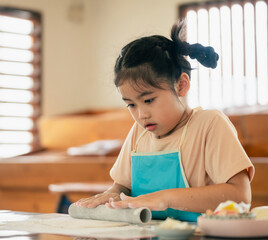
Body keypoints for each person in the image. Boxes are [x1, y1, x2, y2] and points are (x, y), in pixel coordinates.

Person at [75, 20, 254, 222]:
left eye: (149, 100)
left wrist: (166, 198)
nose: (141, 115)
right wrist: (113, 193)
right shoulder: (138, 133)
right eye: (131, 105)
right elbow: (122, 185)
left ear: (181, 86)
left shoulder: (209, 124)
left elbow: (240, 196)